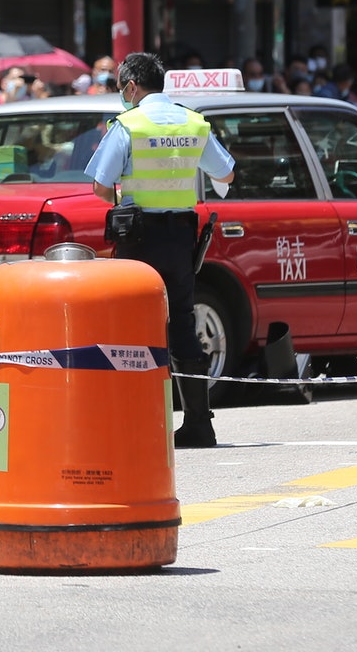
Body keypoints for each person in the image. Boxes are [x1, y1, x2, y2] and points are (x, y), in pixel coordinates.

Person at [84, 52, 235, 448]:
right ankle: (199, 425)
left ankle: (139, 423)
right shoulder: (193, 122)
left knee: (133, 324)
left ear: (132, 86)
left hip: (139, 237)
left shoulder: (128, 125)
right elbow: (226, 173)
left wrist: (123, 199)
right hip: (181, 237)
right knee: (181, 321)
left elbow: (101, 186)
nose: (122, 95)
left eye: (121, 88)